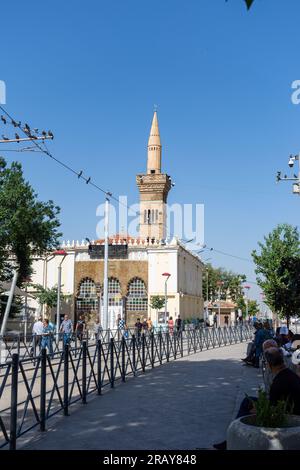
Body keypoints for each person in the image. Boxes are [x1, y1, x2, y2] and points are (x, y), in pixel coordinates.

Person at [213, 347, 300, 450]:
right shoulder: (290, 375)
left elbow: (273, 410)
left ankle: (233, 438)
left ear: (268, 364)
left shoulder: (278, 383)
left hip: (289, 415)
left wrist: (257, 410)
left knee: (247, 407)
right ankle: (230, 438)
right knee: (248, 401)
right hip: (287, 407)